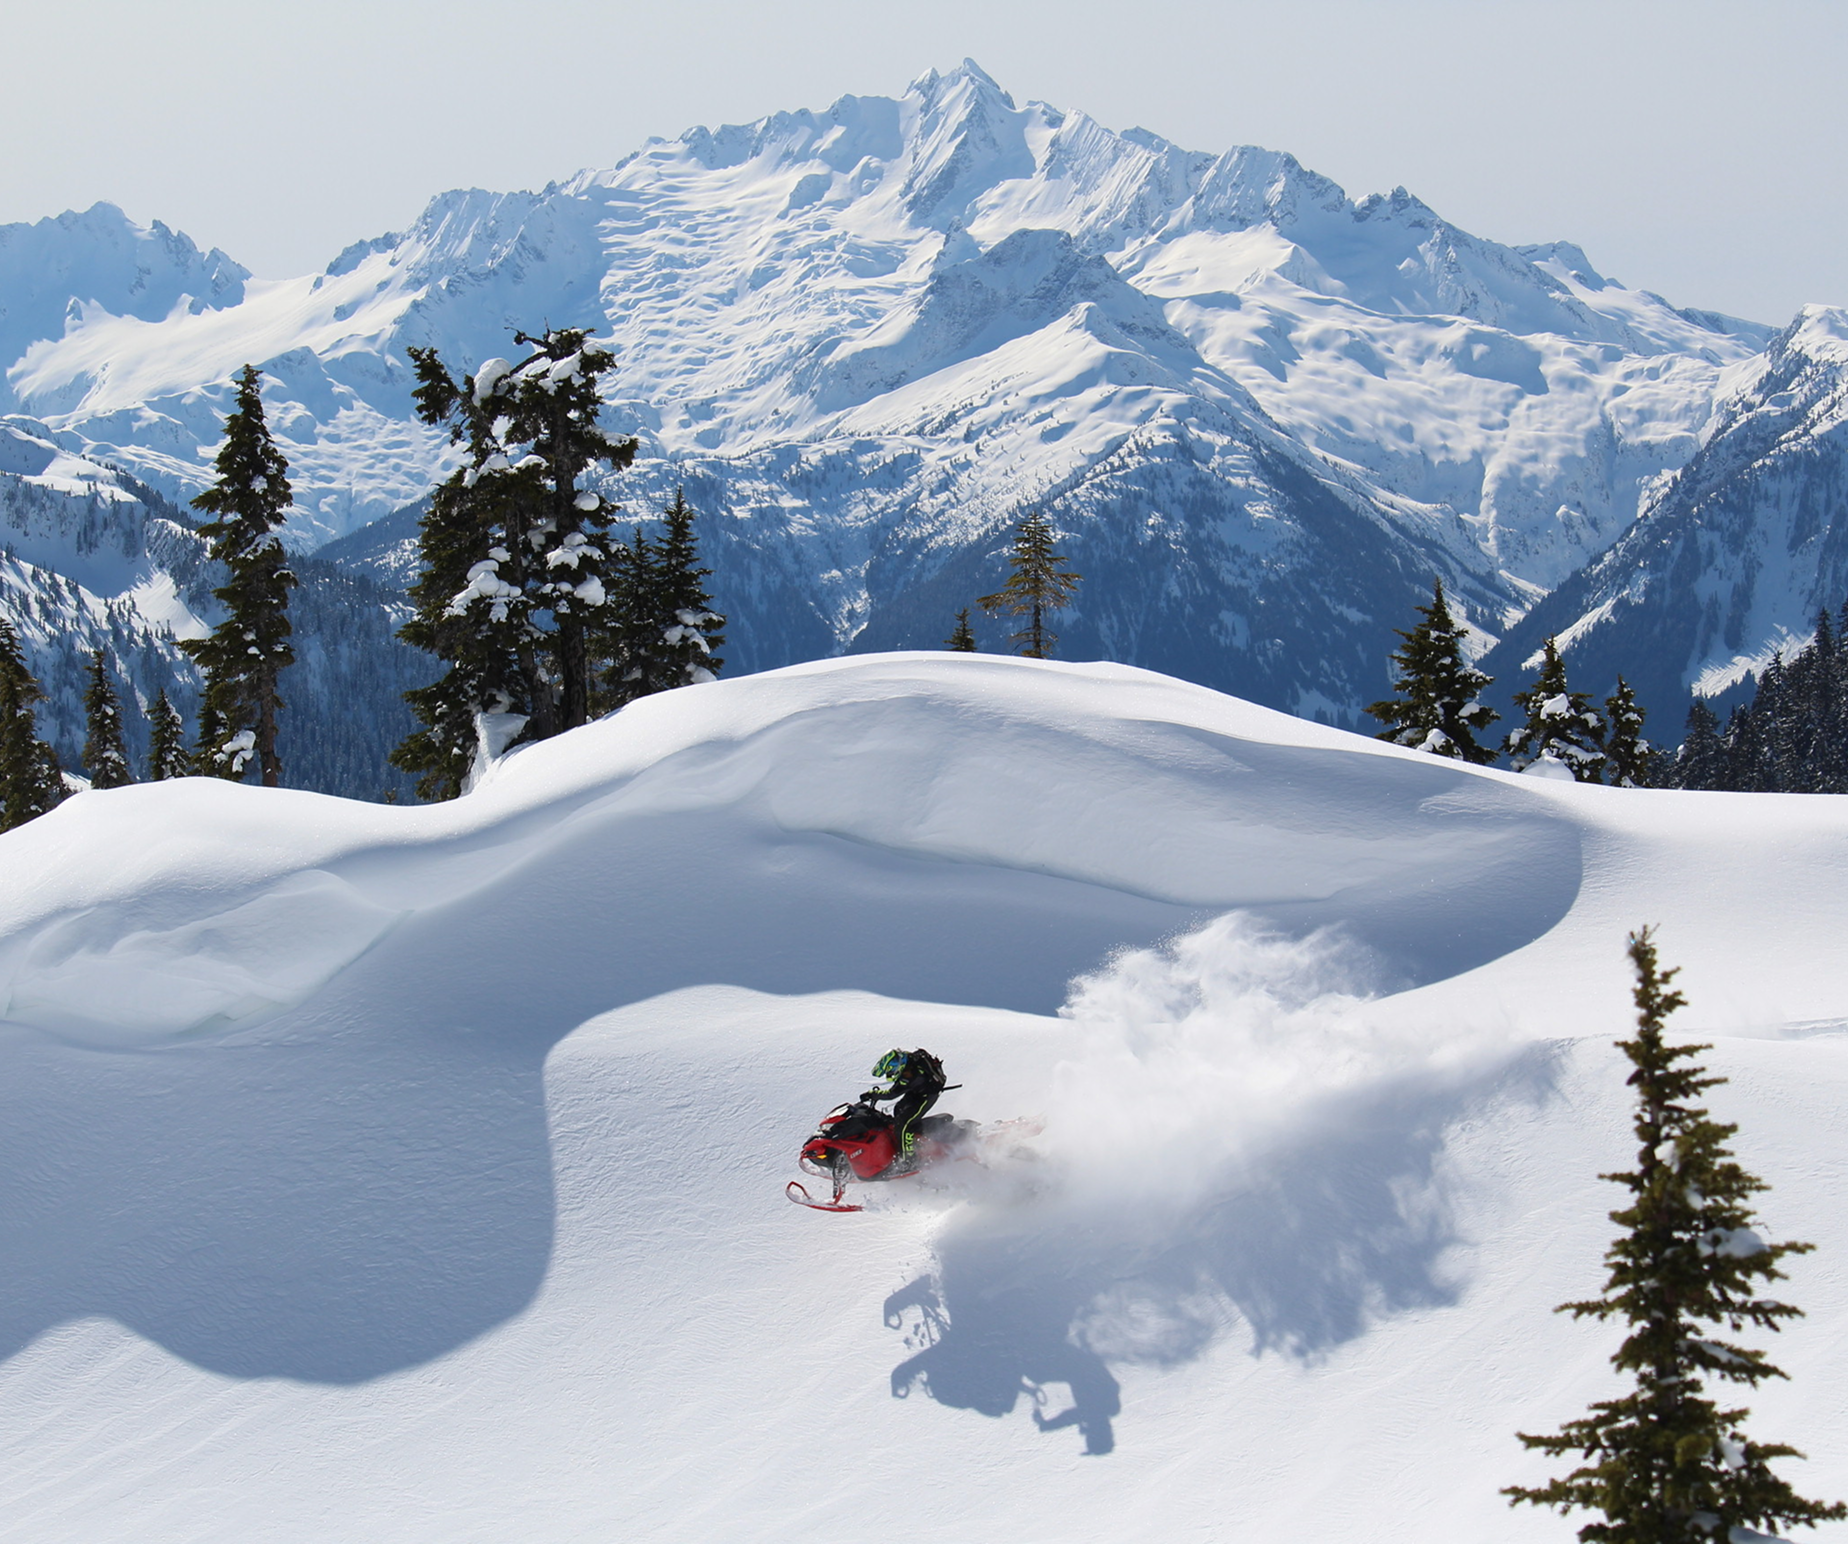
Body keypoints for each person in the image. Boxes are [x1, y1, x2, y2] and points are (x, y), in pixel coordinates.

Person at [861, 1047, 947, 1164]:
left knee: (903, 1125)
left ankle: (909, 1160)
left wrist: (873, 1094)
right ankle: (913, 1140)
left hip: (926, 1096)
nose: (891, 1074)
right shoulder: (909, 1060)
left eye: (891, 1071)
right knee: (899, 1109)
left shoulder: (909, 1076)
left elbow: (891, 1094)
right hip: (918, 1091)